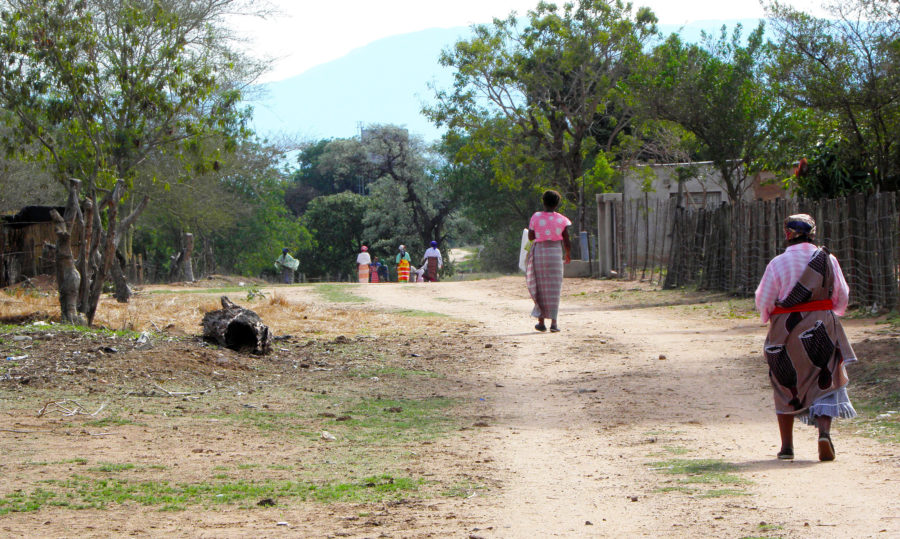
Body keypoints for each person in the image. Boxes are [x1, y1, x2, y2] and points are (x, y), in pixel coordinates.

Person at [755, 214, 857, 462]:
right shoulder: (828, 259)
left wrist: (768, 317)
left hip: (785, 329)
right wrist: (832, 311)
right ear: (813, 232)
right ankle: (823, 433)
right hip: (822, 322)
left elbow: (764, 299)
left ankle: (787, 447)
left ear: (787, 233)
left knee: (783, 382)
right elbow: (842, 295)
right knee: (826, 379)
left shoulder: (777, 263)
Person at [525, 190, 571, 332]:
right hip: (555, 254)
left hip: (540, 254)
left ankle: (541, 322)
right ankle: (554, 324)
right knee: (554, 289)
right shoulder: (562, 219)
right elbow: (566, 240)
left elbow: (531, 236)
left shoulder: (536, 217)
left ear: (543, 202)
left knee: (541, 287)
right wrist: (568, 254)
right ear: (557, 204)